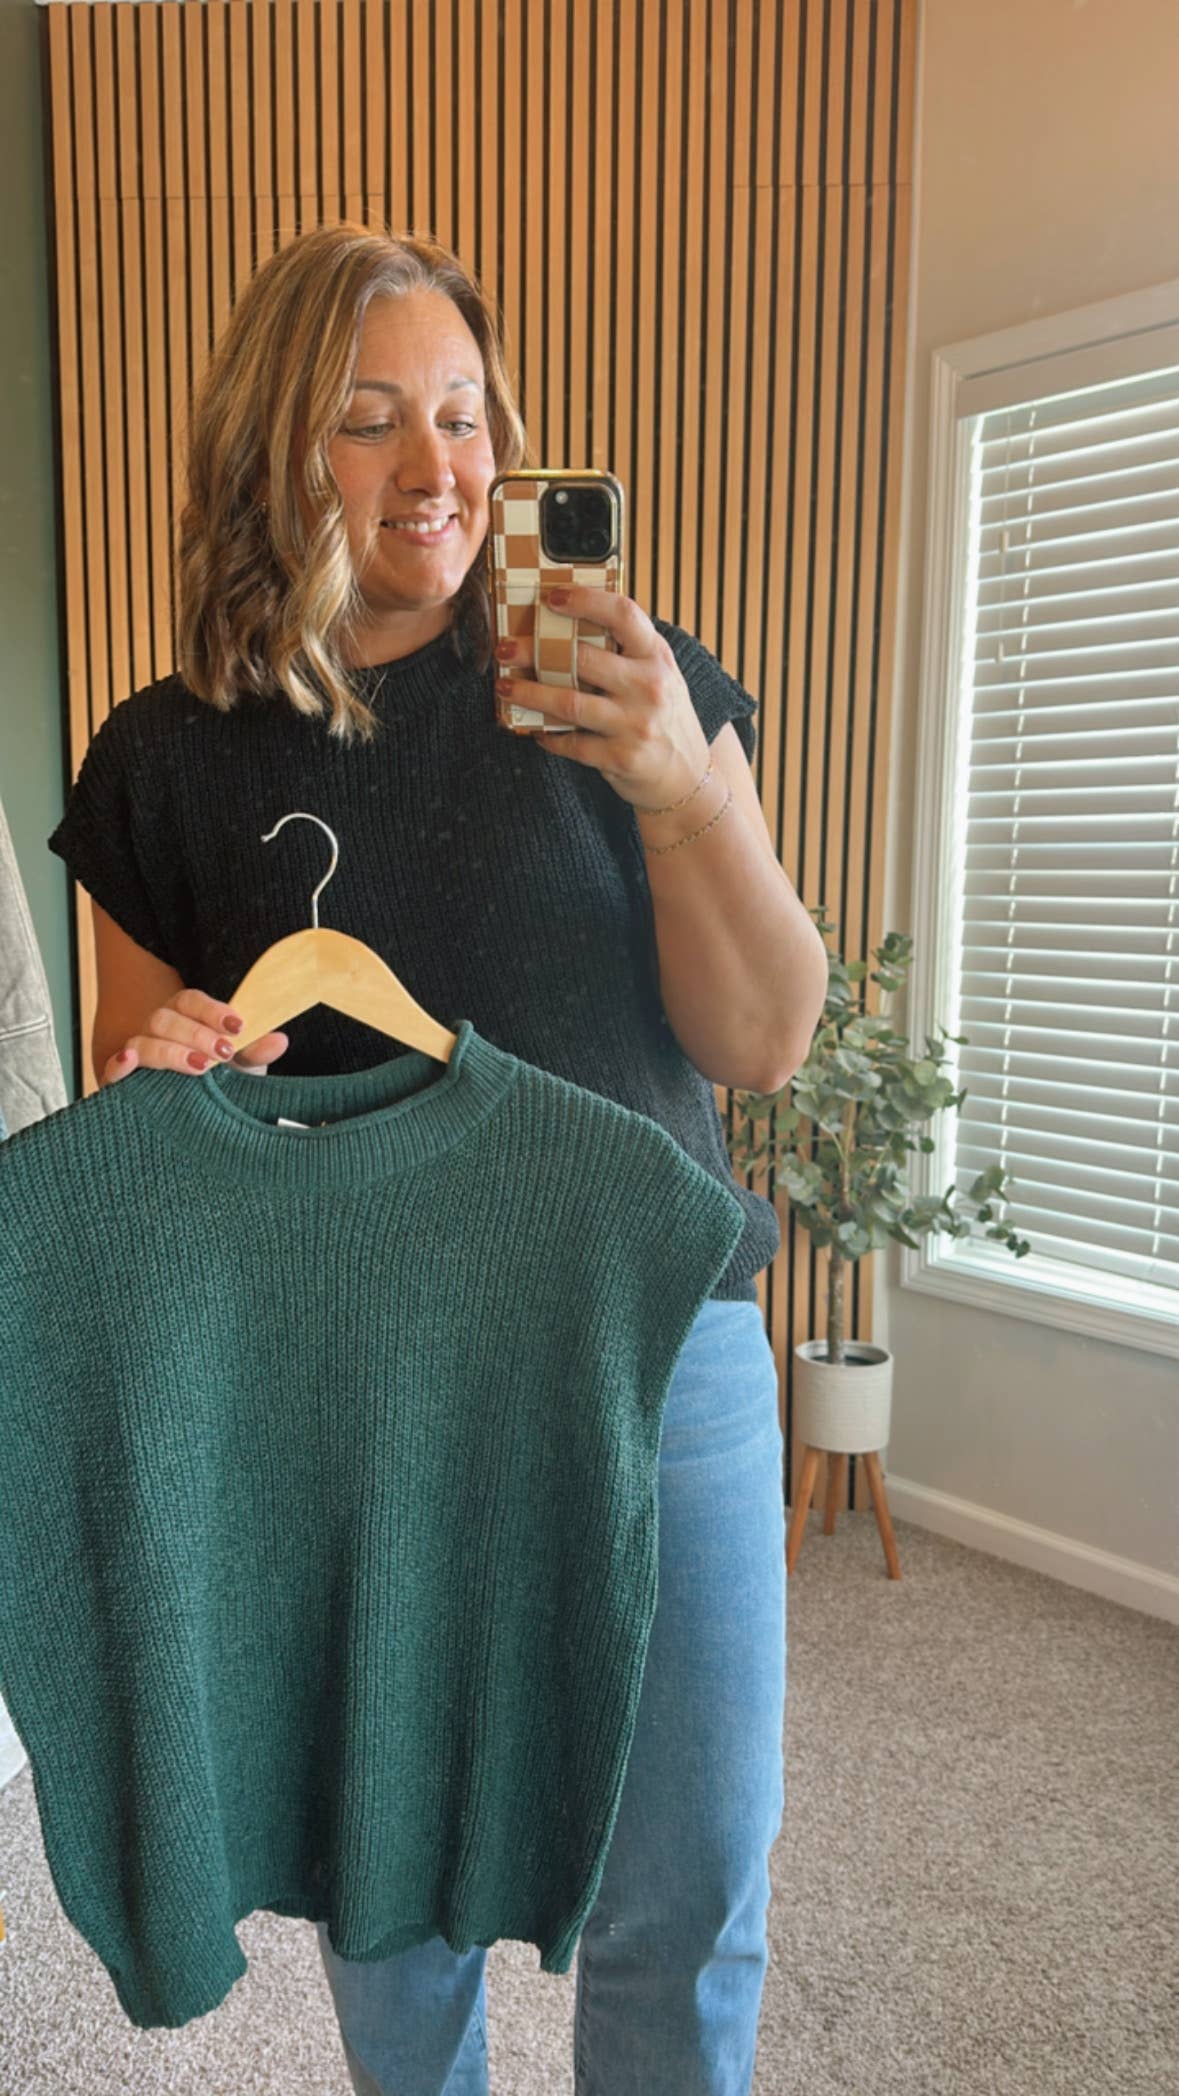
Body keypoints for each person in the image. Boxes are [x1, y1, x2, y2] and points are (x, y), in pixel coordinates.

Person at [48, 222, 829, 2096]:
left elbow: (765, 1038)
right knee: (389, 1911)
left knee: (689, 1902)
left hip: (656, 1359)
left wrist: (677, 788)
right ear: (276, 449)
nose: (438, 469)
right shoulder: (168, 758)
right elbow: (134, 1078)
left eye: (466, 416)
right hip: (355, 1397)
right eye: (370, 417)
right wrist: (165, 1064)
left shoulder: (629, 681)